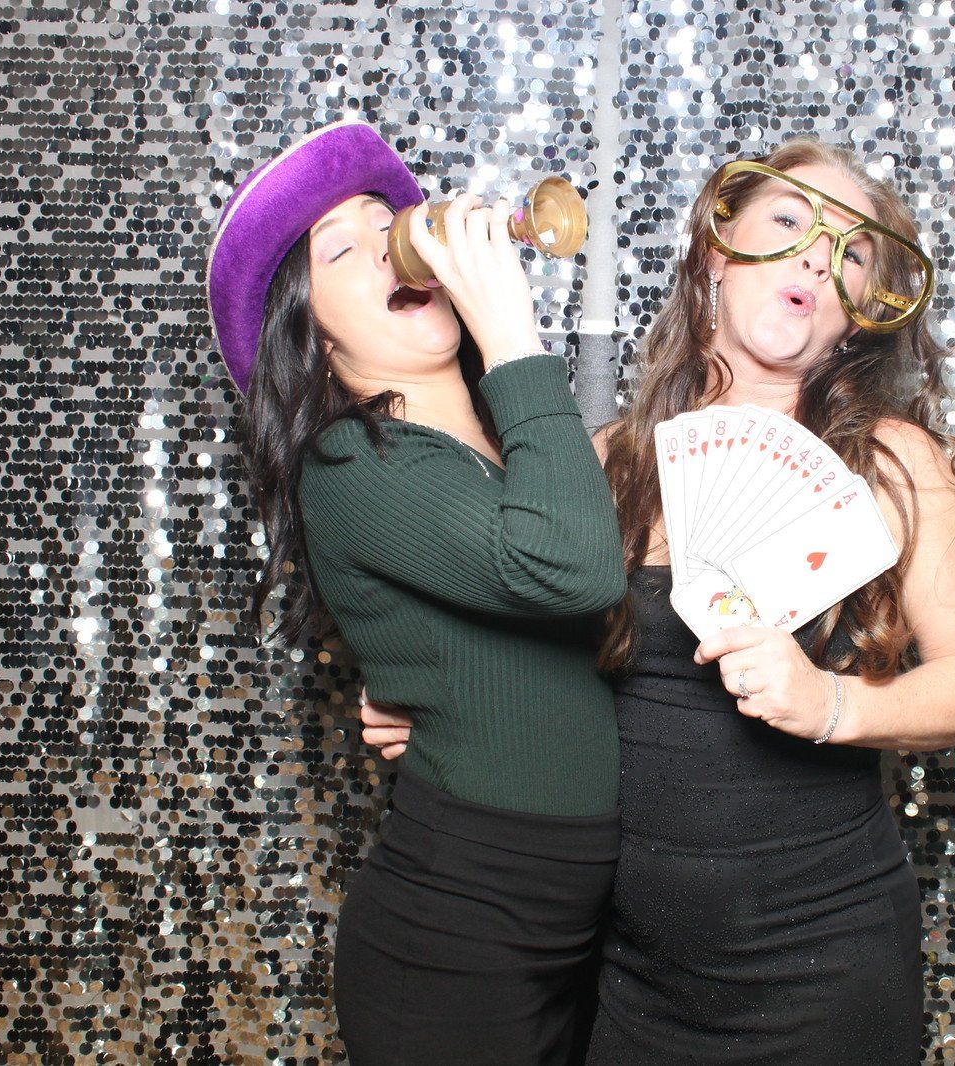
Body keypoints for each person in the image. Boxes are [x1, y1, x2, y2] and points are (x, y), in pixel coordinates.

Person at [359, 137, 955, 1063]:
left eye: (852, 254)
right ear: (716, 251)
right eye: (790, 222)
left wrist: (830, 704)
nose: (817, 259)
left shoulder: (891, 464)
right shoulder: (599, 463)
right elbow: (546, 682)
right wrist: (442, 698)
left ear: (861, 315)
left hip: (821, 965)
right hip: (627, 972)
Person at [205, 118, 628, 1064]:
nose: (397, 239)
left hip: (584, 925)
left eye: (385, 219)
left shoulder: (510, 443)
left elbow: (595, 625)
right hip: (457, 939)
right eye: (343, 248)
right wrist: (512, 332)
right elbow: (575, 571)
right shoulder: (351, 459)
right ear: (310, 341)